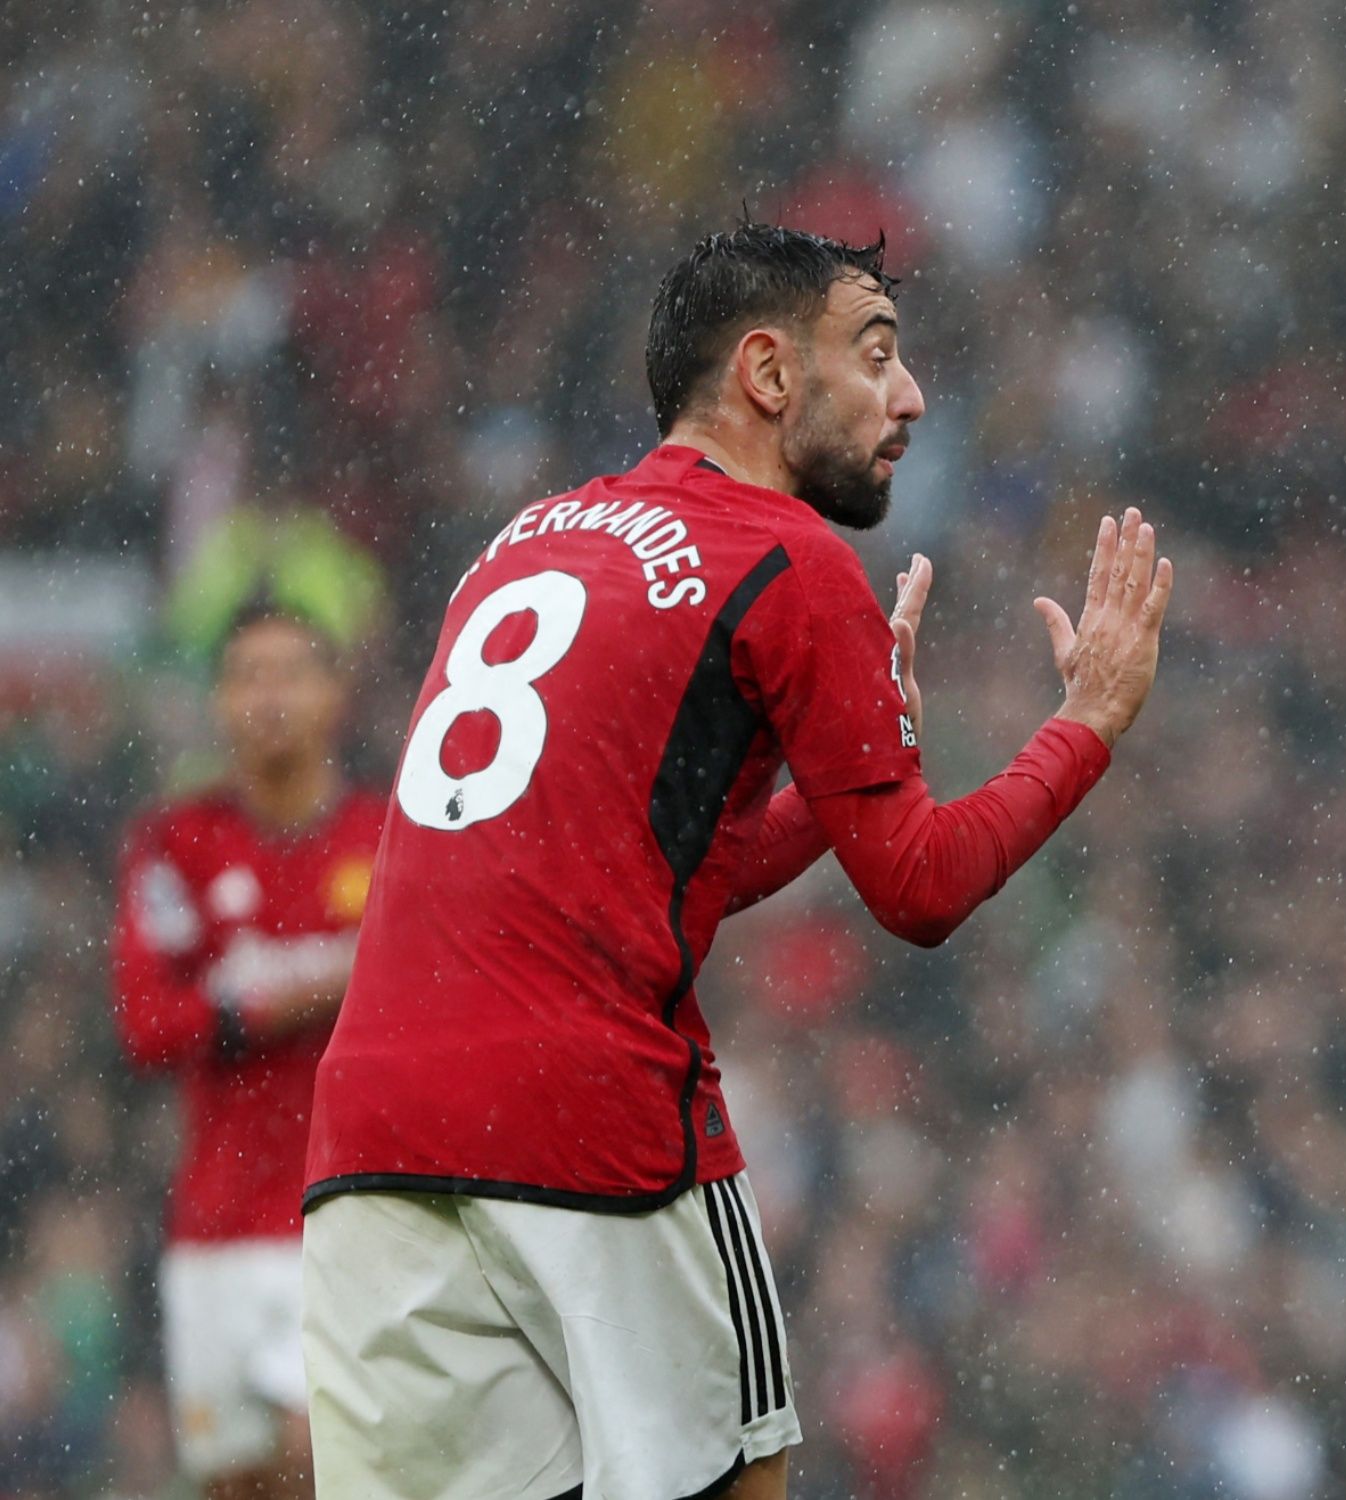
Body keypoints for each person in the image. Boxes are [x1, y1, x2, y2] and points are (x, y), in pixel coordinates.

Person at [298, 224, 1174, 1500]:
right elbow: (921, 890)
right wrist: (1086, 724)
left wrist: (838, 785)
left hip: (372, 1136)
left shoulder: (530, 538)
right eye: (876, 354)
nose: (913, 394)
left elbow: (648, 867)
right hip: (593, 1121)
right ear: (769, 374)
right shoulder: (791, 556)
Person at [111, 605, 385, 1500]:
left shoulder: (389, 839)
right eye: (245, 676)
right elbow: (147, 1024)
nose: (268, 697)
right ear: (219, 700)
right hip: (217, 1228)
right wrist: (299, 994)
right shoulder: (177, 842)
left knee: (323, 1464)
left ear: (335, 693)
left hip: (346, 1214)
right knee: (236, 1485)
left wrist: (263, 997)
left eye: (290, 673)